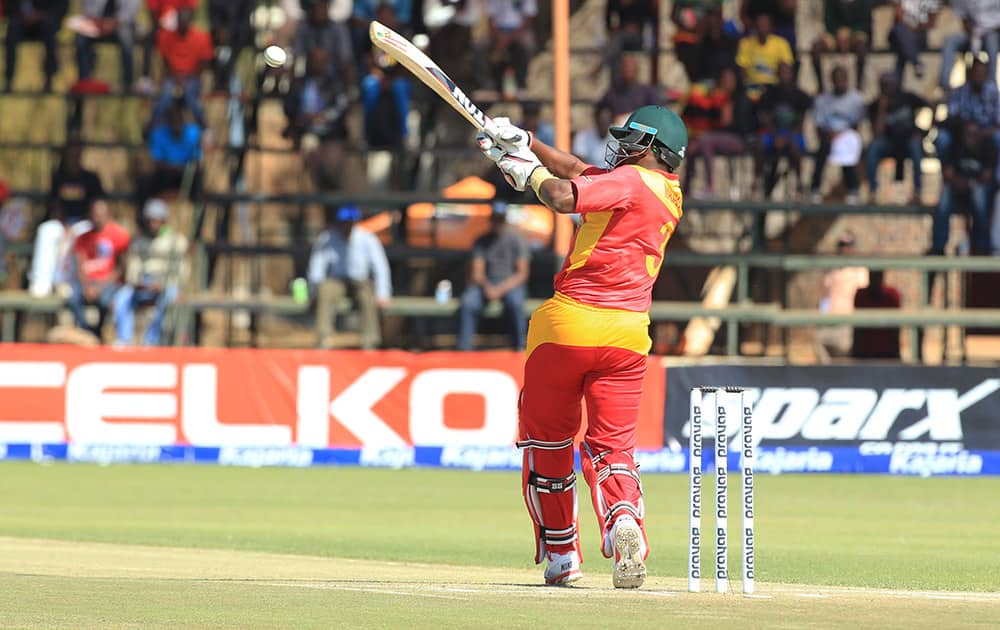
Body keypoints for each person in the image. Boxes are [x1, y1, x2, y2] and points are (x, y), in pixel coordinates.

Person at [477, 104, 688, 588]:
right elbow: (576, 170)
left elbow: (558, 192)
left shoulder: (632, 181)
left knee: (548, 442)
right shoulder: (666, 192)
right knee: (613, 448)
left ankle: (562, 554)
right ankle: (622, 522)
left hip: (567, 327)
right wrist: (526, 141)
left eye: (632, 140)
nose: (622, 148)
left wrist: (525, 172)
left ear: (654, 148)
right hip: (629, 335)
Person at [307, 205, 392, 349]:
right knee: (325, 290)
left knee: (367, 297)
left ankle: (370, 342)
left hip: (360, 281)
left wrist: (383, 293)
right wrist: (313, 292)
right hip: (337, 280)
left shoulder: (367, 238)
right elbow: (317, 268)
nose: (346, 226)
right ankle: (323, 339)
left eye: (349, 222)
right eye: (343, 222)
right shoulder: (327, 238)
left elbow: (380, 267)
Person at [31, 140, 107, 297]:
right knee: (46, 230)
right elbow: (55, 205)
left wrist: (76, 226)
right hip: (63, 222)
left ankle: (65, 282)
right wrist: (64, 224)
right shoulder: (58, 177)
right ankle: (41, 281)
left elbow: (97, 206)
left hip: (86, 223)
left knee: (76, 238)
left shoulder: (91, 178)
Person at [112, 199, 188, 346]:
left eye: (157, 221)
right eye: (151, 221)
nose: (153, 224)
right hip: (143, 283)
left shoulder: (176, 242)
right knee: (122, 298)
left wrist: (164, 284)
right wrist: (136, 283)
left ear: (163, 221)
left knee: (167, 300)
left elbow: (182, 271)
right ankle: (124, 339)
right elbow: (133, 268)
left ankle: (151, 341)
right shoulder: (139, 242)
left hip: (166, 285)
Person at [457, 205, 530, 351]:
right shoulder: (482, 241)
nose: (498, 223)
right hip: (486, 284)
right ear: (491, 220)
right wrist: (488, 287)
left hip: (510, 285)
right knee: (468, 302)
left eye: (501, 220)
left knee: (515, 303)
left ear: (505, 220)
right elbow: (477, 273)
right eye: (496, 219)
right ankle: (464, 350)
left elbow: (522, 274)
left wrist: (500, 289)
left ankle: (520, 348)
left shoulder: (517, 240)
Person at [682, 66, 755, 197]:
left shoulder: (740, 99)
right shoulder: (717, 98)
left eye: (730, 79)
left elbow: (728, 124)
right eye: (724, 79)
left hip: (738, 140)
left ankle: (710, 187)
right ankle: (686, 188)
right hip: (717, 138)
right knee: (692, 146)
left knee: (705, 140)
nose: (726, 82)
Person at [931, 121, 996, 255]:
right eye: (967, 134)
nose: (970, 137)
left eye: (974, 134)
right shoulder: (955, 147)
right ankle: (938, 247)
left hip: (978, 196)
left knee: (979, 192)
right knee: (945, 194)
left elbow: (987, 176)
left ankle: (981, 247)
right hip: (958, 193)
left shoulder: (987, 148)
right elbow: (948, 174)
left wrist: (970, 183)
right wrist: (963, 183)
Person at [68, 200, 131, 337]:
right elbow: (80, 265)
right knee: (72, 299)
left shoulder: (119, 235)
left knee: (105, 302)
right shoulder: (82, 238)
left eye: (99, 215)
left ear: (108, 215)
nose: (96, 218)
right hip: (88, 282)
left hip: (109, 282)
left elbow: (120, 267)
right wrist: (86, 287)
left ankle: (99, 332)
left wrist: (100, 287)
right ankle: (87, 332)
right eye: (93, 215)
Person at [865, 72, 927, 205]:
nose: (887, 88)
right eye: (884, 85)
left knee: (916, 147)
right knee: (873, 148)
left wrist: (924, 133)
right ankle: (873, 192)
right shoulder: (875, 105)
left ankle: (918, 192)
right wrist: (882, 108)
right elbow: (877, 134)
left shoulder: (907, 98)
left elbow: (931, 105)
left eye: (890, 85)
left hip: (908, 141)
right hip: (888, 142)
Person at [810, 65, 865, 204]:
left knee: (847, 148)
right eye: (836, 79)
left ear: (847, 79)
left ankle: (853, 190)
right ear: (832, 80)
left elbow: (856, 125)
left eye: (842, 78)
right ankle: (815, 189)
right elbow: (819, 125)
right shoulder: (822, 100)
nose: (839, 82)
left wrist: (841, 135)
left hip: (847, 136)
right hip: (828, 136)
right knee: (823, 148)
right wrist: (829, 134)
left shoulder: (856, 99)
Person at [756, 61, 811, 200]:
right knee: (760, 144)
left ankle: (799, 184)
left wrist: (785, 138)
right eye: (781, 73)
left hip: (792, 135)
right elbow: (765, 118)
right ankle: (757, 181)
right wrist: (775, 137)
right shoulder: (769, 94)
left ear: (792, 74)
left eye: (786, 72)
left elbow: (800, 122)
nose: (784, 76)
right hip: (773, 134)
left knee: (795, 147)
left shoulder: (799, 95)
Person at [153, 7, 214, 126]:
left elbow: (204, 63)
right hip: (172, 77)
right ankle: (152, 126)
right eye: (180, 22)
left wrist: (188, 77)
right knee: (165, 97)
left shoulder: (201, 37)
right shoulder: (167, 36)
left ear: (190, 22)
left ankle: (204, 127)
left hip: (193, 78)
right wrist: (176, 77)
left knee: (192, 99)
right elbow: (165, 61)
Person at [815, 232, 867, 363]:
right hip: (829, 321)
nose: (845, 248)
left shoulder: (859, 271)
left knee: (846, 360)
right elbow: (824, 297)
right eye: (842, 245)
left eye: (848, 245)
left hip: (848, 323)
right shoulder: (832, 270)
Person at [934, 59, 999, 161]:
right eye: (977, 72)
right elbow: (951, 116)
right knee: (942, 138)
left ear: (987, 75)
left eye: (982, 73)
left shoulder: (993, 93)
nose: (979, 77)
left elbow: (998, 123)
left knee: (998, 137)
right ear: (970, 74)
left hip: (986, 131)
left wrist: (980, 133)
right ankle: (947, 173)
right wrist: (966, 128)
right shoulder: (959, 91)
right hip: (961, 130)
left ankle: (996, 175)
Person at [75, 0, 142, 90]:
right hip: (97, 22)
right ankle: (84, 81)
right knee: (81, 39)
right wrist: (98, 22)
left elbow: (130, 10)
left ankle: (128, 83)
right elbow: (88, 7)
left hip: (121, 23)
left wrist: (114, 23)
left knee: (126, 38)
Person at [811, 0, 874, 92]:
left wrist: (850, 34)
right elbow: (828, 21)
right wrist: (839, 34)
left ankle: (859, 85)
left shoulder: (863, 2)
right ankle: (820, 87)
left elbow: (866, 23)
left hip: (856, 34)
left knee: (861, 47)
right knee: (817, 48)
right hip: (835, 35)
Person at [939, 0, 1000, 90]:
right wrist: (973, 34)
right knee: (950, 41)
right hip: (972, 33)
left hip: (993, 32)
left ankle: (992, 84)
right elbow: (964, 17)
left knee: (992, 43)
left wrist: (987, 31)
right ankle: (945, 84)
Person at [735, 12, 794, 102]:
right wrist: (745, 86)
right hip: (752, 86)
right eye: (760, 26)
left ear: (771, 27)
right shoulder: (745, 43)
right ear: (755, 27)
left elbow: (786, 67)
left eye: (765, 26)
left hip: (773, 86)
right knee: (743, 101)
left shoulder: (781, 43)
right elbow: (742, 69)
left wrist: (783, 80)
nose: (762, 29)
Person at [485, 0, 537, 92]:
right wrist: (498, 38)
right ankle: (487, 84)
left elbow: (529, 18)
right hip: (498, 31)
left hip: (520, 31)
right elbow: (490, 18)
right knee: (480, 47)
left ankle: (526, 83)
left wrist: (509, 39)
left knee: (529, 47)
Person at [852, 270, 902, 360]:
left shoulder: (892, 295)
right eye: (873, 276)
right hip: (865, 354)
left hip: (886, 354)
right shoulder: (861, 295)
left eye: (877, 276)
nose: (874, 279)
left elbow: (895, 329)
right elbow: (857, 329)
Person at [598, 55, 664, 120]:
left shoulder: (648, 93)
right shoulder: (612, 93)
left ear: (637, 69)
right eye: (625, 67)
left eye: (630, 68)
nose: (627, 70)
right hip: (617, 127)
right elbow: (600, 111)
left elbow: (657, 114)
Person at [888, 0, 940, 81]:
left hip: (918, 35)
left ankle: (896, 86)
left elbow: (932, 22)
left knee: (903, 47)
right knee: (901, 31)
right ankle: (917, 62)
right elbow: (898, 14)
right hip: (899, 33)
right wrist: (909, 27)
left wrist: (917, 28)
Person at [573, 103, 614, 168]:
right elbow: (579, 161)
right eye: (602, 120)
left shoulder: (618, 136)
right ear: (596, 119)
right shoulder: (582, 136)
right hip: (590, 174)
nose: (604, 123)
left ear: (611, 120)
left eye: (607, 120)